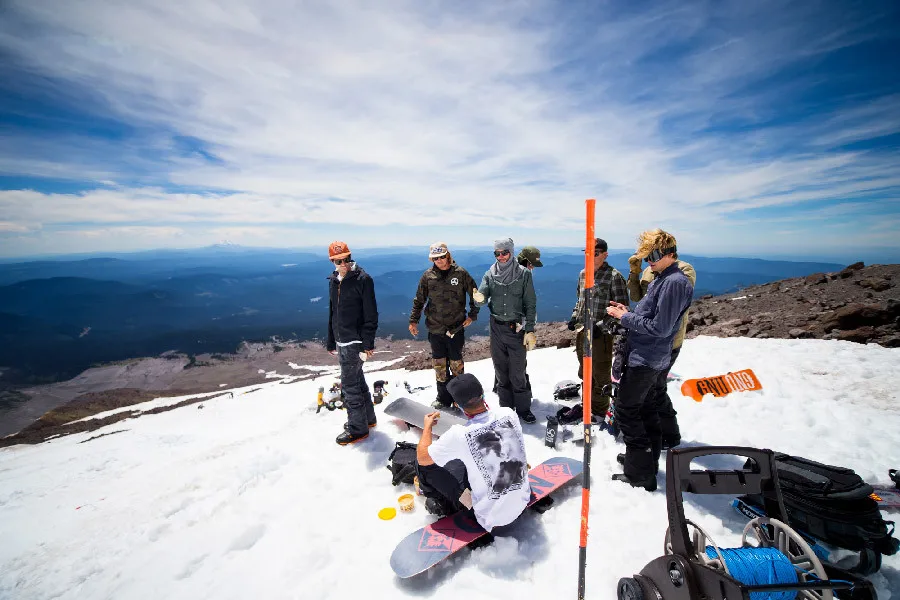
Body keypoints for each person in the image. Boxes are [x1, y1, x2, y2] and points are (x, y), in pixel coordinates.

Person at [606, 229, 693, 490]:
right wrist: (628, 312)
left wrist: (624, 318)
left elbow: (661, 327)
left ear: (669, 253)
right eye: (646, 256)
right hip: (647, 355)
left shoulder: (675, 282)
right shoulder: (662, 278)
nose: (648, 261)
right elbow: (653, 317)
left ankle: (640, 472)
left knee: (626, 409)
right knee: (645, 408)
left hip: (647, 358)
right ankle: (643, 461)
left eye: (653, 255)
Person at [414, 373, 531, 532]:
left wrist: (427, 426)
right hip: (522, 501)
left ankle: (438, 499)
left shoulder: (459, 434)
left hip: (490, 518)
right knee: (464, 460)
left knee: (425, 466)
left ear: (457, 405)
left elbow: (423, 458)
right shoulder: (508, 413)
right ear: (482, 395)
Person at [626, 249, 696, 449]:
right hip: (648, 341)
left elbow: (672, 304)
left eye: (653, 255)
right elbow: (636, 296)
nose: (649, 259)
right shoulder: (649, 270)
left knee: (656, 390)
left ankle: (668, 436)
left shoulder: (683, 271)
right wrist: (634, 272)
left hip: (668, 342)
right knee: (651, 391)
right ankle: (657, 438)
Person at [473, 238, 538, 423]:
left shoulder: (524, 274)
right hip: (496, 327)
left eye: (504, 253)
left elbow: (530, 303)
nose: (501, 257)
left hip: (516, 328)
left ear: (511, 252)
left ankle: (524, 409)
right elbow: (483, 297)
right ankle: (506, 411)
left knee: (517, 372)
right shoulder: (490, 274)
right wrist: (479, 298)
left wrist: (530, 329)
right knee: (501, 371)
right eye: (497, 253)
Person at [408, 242, 480, 409]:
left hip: (456, 327)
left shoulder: (460, 273)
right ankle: (443, 398)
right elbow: (419, 299)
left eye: (441, 257)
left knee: (456, 365)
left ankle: (459, 399)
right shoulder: (428, 276)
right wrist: (413, 320)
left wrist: (472, 315)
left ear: (448, 255)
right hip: (435, 328)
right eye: (435, 258)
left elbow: (475, 294)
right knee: (439, 366)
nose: (439, 260)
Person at [566, 238, 628, 419]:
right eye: (587, 252)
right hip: (583, 332)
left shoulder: (614, 277)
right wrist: (574, 317)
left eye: (595, 252)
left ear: (605, 254)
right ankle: (587, 405)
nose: (590, 256)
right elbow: (580, 300)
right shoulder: (583, 274)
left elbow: (622, 309)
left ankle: (599, 411)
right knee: (585, 370)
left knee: (600, 374)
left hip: (602, 335)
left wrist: (601, 326)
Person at [325, 241, 379, 446]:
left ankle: (358, 429)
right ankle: (368, 420)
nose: (344, 263)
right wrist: (331, 340)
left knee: (349, 387)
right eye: (339, 261)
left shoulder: (363, 280)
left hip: (354, 341)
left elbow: (371, 313)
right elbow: (333, 313)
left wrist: (367, 344)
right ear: (332, 261)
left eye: (346, 259)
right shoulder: (334, 281)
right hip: (341, 340)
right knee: (357, 380)